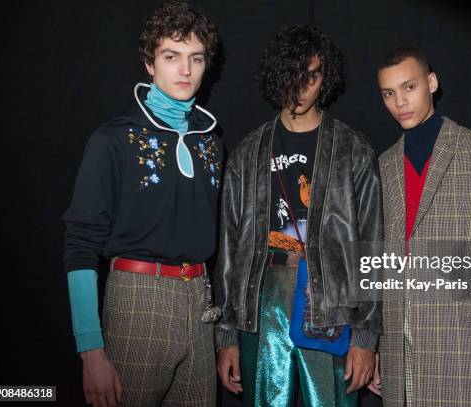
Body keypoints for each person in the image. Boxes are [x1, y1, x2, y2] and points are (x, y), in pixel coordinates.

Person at [213, 25, 383, 406]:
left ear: (325, 79)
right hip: (262, 301)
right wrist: (226, 336)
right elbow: (229, 248)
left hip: (331, 305)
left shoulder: (353, 150)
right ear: (277, 75)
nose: (302, 86)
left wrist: (365, 337)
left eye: (312, 75)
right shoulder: (246, 153)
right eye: (293, 74)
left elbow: (372, 249)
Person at [62, 1, 221, 405]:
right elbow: (80, 245)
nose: (185, 70)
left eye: (195, 58)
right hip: (137, 304)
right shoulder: (112, 140)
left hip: (200, 304)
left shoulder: (212, 143)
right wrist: (90, 351)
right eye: (172, 56)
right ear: (150, 64)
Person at [372, 46, 471, 406]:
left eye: (409, 87)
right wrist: (378, 347)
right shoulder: (381, 167)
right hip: (401, 358)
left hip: (466, 350)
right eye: (389, 93)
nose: (400, 101)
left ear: (431, 82)